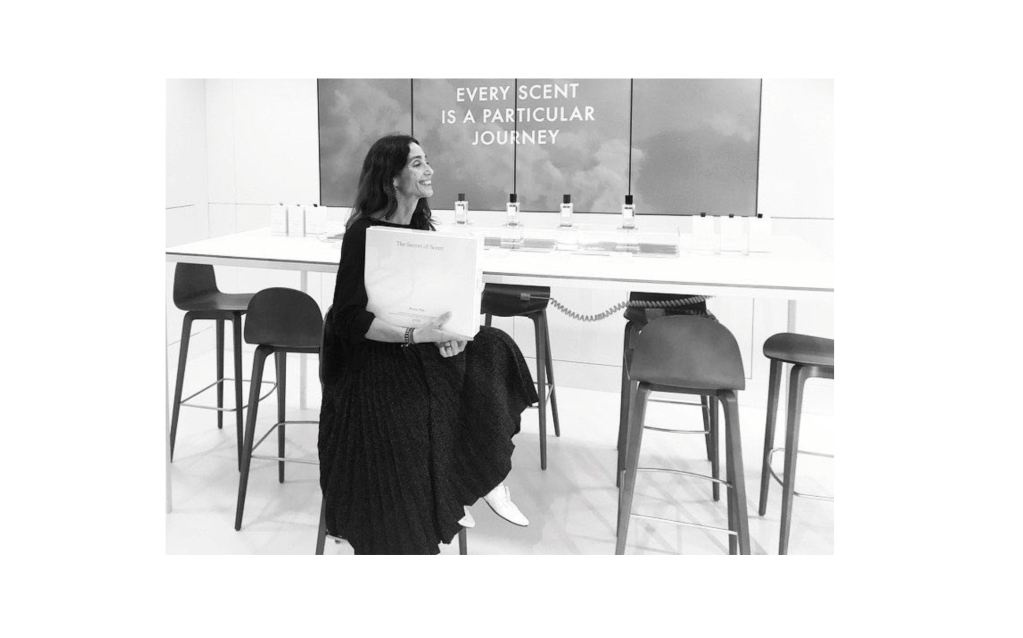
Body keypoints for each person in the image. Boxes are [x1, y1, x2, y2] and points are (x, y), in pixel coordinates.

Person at [318, 134, 539, 554]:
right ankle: (454, 489)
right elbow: (347, 318)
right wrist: (413, 335)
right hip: (375, 352)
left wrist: (453, 337)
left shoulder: (423, 228)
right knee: (410, 416)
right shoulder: (362, 233)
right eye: (417, 163)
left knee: (494, 346)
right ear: (392, 178)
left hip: (421, 344)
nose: (429, 170)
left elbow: (441, 303)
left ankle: (479, 478)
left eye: (426, 160)